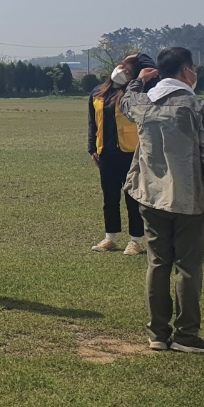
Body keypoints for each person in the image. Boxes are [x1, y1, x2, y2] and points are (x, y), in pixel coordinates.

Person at [119, 47, 204, 354]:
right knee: (188, 268)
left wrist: (138, 80)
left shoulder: (142, 103)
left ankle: (157, 333)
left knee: (158, 264)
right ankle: (186, 335)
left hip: (150, 196)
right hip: (189, 198)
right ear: (186, 71)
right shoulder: (198, 106)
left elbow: (126, 100)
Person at [87, 52, 155, 255]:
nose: (122, 70)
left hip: (131, 152)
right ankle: (110, 237)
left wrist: (139, 56)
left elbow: (153, 69)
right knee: (109, 198)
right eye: (122, 66)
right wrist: (92, 148)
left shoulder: (134, 94)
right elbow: (92, 122)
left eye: (128, 71)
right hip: (106, 152)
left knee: (133, 198)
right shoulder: (98, 92)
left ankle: (136, 240)